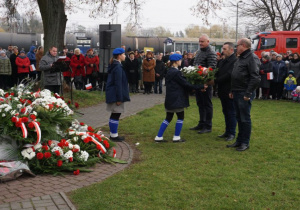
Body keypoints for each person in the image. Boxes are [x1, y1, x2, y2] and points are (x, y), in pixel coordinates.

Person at [154, 54, 202, 143]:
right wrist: (199, 86)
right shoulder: (176, 72)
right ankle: (176, 137)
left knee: (168, 117)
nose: (181, 61)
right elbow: (185, 84)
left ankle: (159, 136)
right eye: (180, 60)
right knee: (180, 117)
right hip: (176, 98)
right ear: (176, 61)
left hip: (170, 98)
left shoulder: (170, 71)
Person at [227, 38, 260, 152]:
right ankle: (239, 140)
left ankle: (245, 142)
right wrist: (232, 90)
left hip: (244, 92)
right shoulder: (240, 58)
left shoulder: (252, 58)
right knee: (239, 117)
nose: (236, 47)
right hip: (237, 91)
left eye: (238, 45)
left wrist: (248, 93)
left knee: (245, 118)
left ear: (244, 45)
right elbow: (235, 76)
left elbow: (255, 77)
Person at [190, 34, 217, 134]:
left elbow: (211, 68)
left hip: (206, 83)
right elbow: (195, 64)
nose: (200, 43)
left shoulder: (211, 52)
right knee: (200, 103)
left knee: (207, 104)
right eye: (199, 41)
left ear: (208, 41)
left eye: (202, 41)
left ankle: (208, 125)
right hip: (198, 82)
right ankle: (201, 123)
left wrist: (206, 82)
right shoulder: (200, 51)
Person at [105, 48, 130, 142]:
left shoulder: (115, 65)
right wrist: (119, 98)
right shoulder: (118, 67)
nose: (125, 56)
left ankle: (113, 134)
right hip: (116, 95)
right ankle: (114, 135)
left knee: (115, 114)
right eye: (123, 54)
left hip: (113, 93)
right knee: (116, 114)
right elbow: (118, 83)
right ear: (119, 56)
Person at [214, 42, 237, 141]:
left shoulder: (235, 61)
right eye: (222, 49)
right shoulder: (222, 61)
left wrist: (215, 80)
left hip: (229, 90)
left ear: (231, 50)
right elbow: (217, 72)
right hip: (222, 90)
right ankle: (227, 131)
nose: (222, 51)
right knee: (225, 111)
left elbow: (229, 75)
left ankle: (232, 133)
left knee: (231, 112)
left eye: (224, 49)